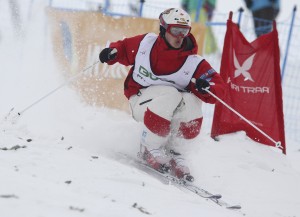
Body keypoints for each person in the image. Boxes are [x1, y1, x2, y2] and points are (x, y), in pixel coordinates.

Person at [99, 8, 225, 181]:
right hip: (140, 101)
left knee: (191, 100)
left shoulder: (193, 62)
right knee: (171, 93)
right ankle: (149, 146)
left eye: (185, 31)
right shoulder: (145, 44)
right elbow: (122, 49)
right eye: (175, 30)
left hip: (168, 112)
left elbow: (218, 88)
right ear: (164, 29)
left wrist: (208, 87)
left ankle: (176, 152)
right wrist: (111, 53)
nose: (180, 36)